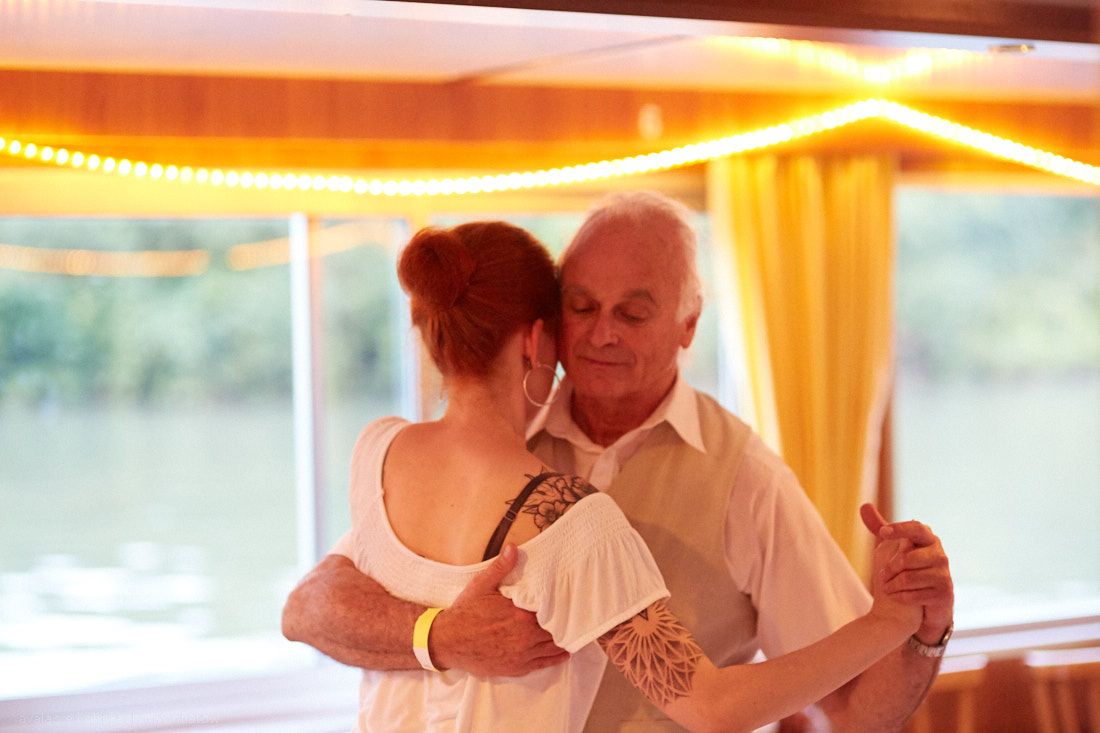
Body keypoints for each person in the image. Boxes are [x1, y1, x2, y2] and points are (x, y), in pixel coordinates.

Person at [283, 195, 955, 731]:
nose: (602, 333)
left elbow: (857, 712)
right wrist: (444, 636)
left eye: (633, 314)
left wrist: (918, 632)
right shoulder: (568, 513)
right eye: (582, 307)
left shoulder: (384, 448)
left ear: (689, 324)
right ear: (543, 332)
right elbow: (310, 609)